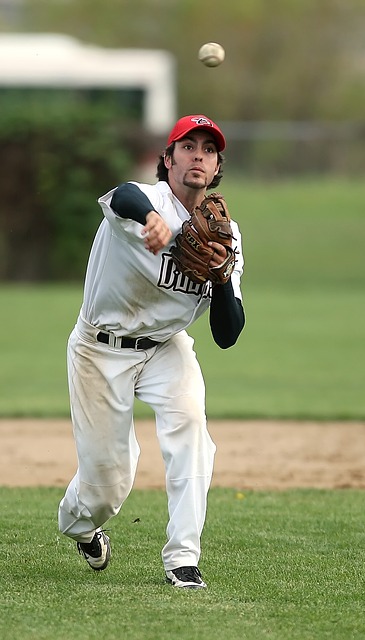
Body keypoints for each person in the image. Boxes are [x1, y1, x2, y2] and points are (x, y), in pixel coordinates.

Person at [58, 114, 245, 589]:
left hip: (166, 346)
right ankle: (81, 524)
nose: (198, 153)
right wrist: (153, 220)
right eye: (187, 146)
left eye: (209, 148)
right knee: (108, 481)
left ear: (218, 164)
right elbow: (122, 194)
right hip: (100, 348)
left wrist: (221, 277)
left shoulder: (226, 235)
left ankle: (183, 560)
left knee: (192, 435)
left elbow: (228, 333)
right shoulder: (146, 202)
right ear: (168, 159)